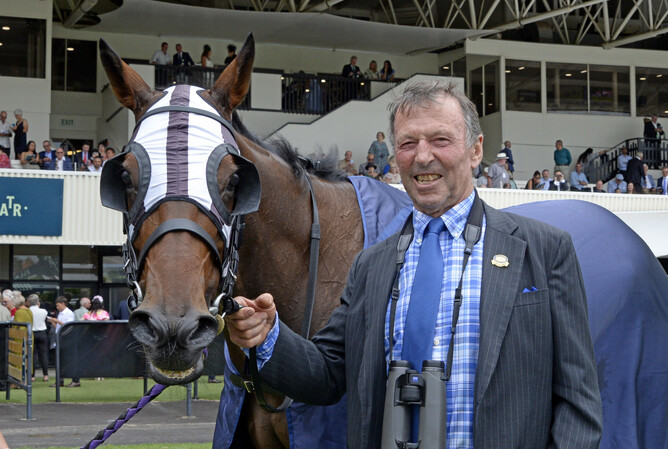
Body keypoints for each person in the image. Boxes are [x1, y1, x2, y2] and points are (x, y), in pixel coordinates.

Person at [226, 80, 602, 449]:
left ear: (475, 151)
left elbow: (577, 403)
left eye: (440, 140)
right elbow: (327, 373)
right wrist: (267, 335)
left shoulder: (545, 250)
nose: (422, 156)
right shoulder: (370, 267)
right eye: (408, 144)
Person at [49, 296, 80, 387]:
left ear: (63, 304)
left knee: (69, 360)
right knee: (60, 360)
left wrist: (57, 321)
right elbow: (59, 328)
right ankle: (60, 380)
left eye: (58, 305)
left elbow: (69, 326)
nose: (57, 307)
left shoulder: (68, 313)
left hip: (67, 339)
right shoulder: (61, 313)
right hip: (61, 338)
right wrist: (53, 322)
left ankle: (75, 380)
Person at [28, 294, 49, 382]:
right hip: (42, 332)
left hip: (32, 332)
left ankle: (32, 376)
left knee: (33, 355)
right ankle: (45, 375)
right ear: (38, 303)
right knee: (43, 354)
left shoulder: (28, 311)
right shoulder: (44, 311)